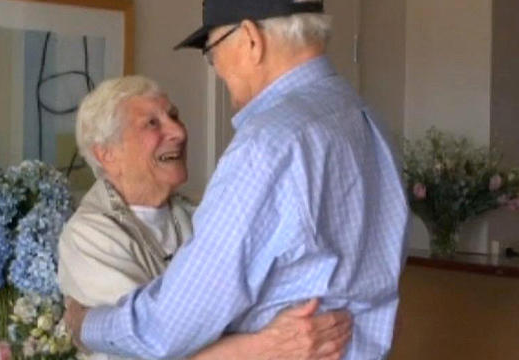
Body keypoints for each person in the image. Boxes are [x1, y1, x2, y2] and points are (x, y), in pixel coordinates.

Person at [64, 0, 409, 358]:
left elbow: (171, 325)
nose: (216, 69)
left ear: (250, 39)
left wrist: (85, 324)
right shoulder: (366, 120)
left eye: (212, 52)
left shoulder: (270, 144)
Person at [58, 75, 352, 360]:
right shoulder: (87, 236)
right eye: (152, 123)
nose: (179, 132)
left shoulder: (199, 214)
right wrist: (263, 349)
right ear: (107, 153)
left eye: (174, 116)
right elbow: (148, 347)